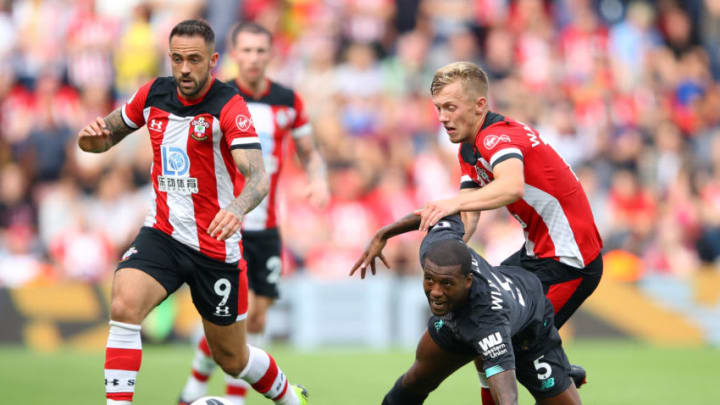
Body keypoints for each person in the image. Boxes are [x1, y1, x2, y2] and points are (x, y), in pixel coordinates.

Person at [77, 19, 308, 405]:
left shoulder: (229, 106)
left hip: (215, 246)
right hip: (163, 234)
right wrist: (93, 143)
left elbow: (258, 177)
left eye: (194, 60)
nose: (184, 69)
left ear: (213, 61)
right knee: (123, 304)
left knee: (232, 358)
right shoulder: (152, 93)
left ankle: (289, 397)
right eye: (177, 59)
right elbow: (107, 135)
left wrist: (236, 208)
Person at [412, 61, 602, 403]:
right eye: (438, 108)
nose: (442, 117)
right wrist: (446, 245)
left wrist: (451, 204)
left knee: (497, 341)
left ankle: (559, 369)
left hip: (569, 262)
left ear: (480, 105)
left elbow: (512, 186)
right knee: (486, 330)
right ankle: (559, 366)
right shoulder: (469, 148)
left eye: (451, 107)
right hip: (537, 255)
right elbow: (470, 213)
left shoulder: (497, 137)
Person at [178, 22, 329, 405]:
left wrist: (318, 179)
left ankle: (202, 383)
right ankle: (219, 391)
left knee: (256, 318)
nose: (253, 58)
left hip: (268, 226)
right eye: (245, 50)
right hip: (227, 223)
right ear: (232, 53)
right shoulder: (219, 97)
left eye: (261, 50)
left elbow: (309, 152)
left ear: (270, 54)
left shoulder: (288, 101)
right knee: (229, 317)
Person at [361, 214, 582, 405]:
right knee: (416, 380)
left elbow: (508, 400)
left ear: (468, 281)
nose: (435, 291)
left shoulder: (488, 320)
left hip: (529, 330)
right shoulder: (435, 249)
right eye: (430, 280)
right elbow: (439, 215)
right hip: (466, 316)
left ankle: (562, 372)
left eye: (446, 283)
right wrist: (384, 234)